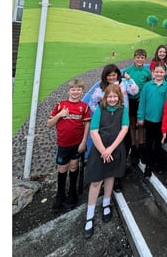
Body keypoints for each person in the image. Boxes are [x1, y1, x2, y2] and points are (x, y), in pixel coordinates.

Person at [82, 84, 129, 239]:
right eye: (110, 96)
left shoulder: (123, 111)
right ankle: (89, 215)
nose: (112, 99)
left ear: (119, 97)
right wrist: (103, 150)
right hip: (99, 150)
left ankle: (106, 204)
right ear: (105, 98)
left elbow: (124, 129)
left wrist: (111, 149)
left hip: (115, 149)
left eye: (115, 96)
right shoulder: (100, 111)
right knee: (96, 181)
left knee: (110, 176)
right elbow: (94, 131)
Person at [89, 64, 139, 192]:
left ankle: (117, 177)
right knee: (107, 150)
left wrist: (129, 79)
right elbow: (92, 103)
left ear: (117, 74)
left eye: (114, 74)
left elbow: (135, 91)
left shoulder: (123, 84)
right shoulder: (100, 89)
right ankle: (107, 178)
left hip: (123, 123)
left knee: (124, 147)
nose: (111, 77)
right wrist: (101, 115)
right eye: (109, 75)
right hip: (108, 126)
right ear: (105, 76)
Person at [47, 79, 91, 214]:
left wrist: (84, 141)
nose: (76, 92)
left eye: (78, 89)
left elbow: (87, 125)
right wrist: (60, 115)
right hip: (63, 144)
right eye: (73, 89)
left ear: (82, 91)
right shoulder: (60, 105)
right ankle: (60, 195)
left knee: (74, 167)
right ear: (69, 91)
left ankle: (73, 193)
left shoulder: (84, 107)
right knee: (62, 168)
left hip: (77, 144)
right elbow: (49, 124)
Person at [137, 63, 167, 178]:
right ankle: (148, 164)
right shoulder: (147, 86)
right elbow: (142, 102)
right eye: (156, 72)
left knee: (158, 143)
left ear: (165, 73)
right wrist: (140, 117)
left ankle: (157, 163)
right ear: (153, 73)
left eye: (161, 72)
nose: (159, 74)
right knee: (148, 142)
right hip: (149, 119)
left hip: (161, 120)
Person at [123, 49, 152, 166]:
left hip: (141, 101)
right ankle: (133, 146)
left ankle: (141, 145)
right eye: (138, 57)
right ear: (134, 58)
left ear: (145, 59)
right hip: (130, 101)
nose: (140, 59)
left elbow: (149, 84)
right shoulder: (128, 71)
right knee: (132, 122)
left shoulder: (147, 71)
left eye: (142, 57)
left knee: (141, 123)